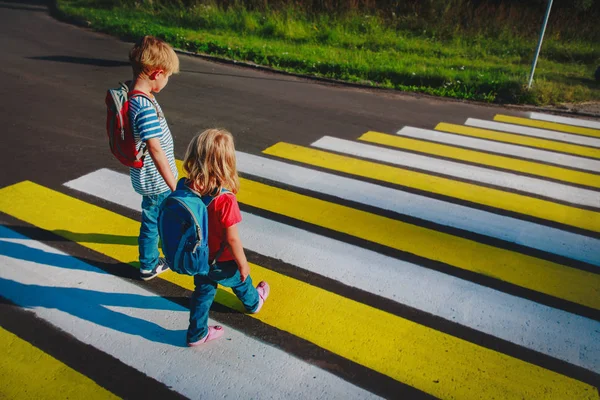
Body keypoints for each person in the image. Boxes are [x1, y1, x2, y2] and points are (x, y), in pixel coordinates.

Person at [182, 129, 270, 346]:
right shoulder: (225, 200)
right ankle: (254, 304)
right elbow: (232, 240)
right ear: (227, 162)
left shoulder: (186, 188)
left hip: (199, 257)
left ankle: (197, 334)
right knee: (242, 282)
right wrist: (243, 263)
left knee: (202, 294)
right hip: (222, 260)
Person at [128, 35, 179, 281]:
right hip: (156, 178)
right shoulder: (144, 106)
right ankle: (148, 264)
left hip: (148, 176)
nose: (168, 80)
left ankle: (162, 241)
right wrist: (173, 184)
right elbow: (155, 149)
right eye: (168, 75)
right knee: (151, 218)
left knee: (155, 213)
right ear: (157, 73)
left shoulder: (136, 94)